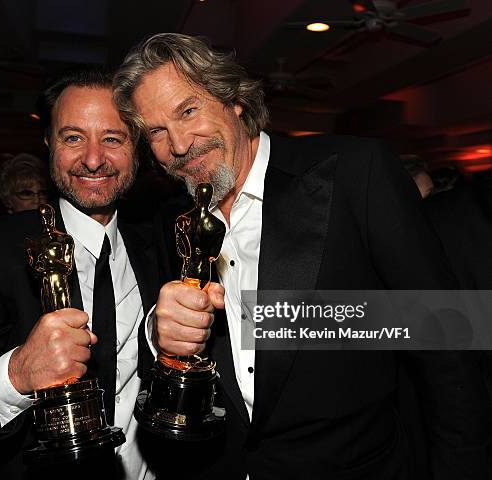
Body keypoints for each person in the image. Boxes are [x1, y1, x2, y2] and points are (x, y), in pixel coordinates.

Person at [113, 33, 491, 480]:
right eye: (156, 131)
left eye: (188, 110)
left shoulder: (355, 172)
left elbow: (446, 337)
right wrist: (162, 331)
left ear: (233, 99)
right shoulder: (170, 217)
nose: (178, 145)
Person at [0, 70, 161, 479]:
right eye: (73, 137)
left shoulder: (158, 246)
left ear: (135, 148)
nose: (92, 159)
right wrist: (16, 374)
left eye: (112, 138)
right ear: (49, 144)